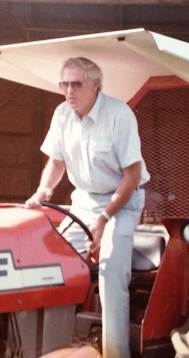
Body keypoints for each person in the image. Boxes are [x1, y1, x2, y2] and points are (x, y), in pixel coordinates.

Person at [25, 57, 150, 358]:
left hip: (121, 202)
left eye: (76, 84)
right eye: (64, 84)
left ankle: (116, 354)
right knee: (52, 265)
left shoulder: (119, 115)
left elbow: (132, 176)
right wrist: (43, 190)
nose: (69, 90)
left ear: (95, 85)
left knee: (110, 274)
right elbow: (56, 161)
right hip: (83, 200)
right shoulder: (62, 114)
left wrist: (105, 218)